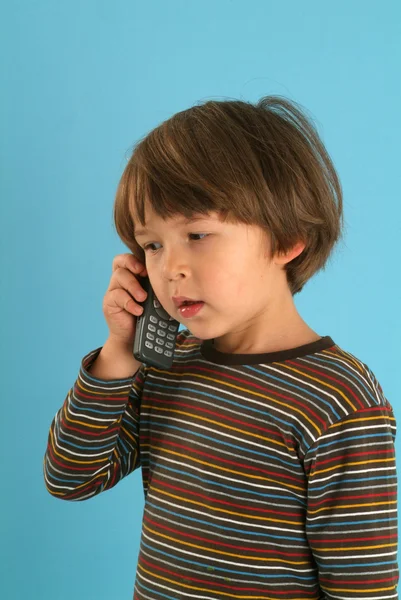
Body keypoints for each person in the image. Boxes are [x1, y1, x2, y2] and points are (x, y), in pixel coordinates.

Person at [43, 96, 398, 600]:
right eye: (152, 244)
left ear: (286, 239)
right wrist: (118, 352)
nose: (170, 269)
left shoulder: (339, 400)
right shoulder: (163, 367)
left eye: (197, 234)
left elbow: (362, 588)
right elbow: (71, 477)